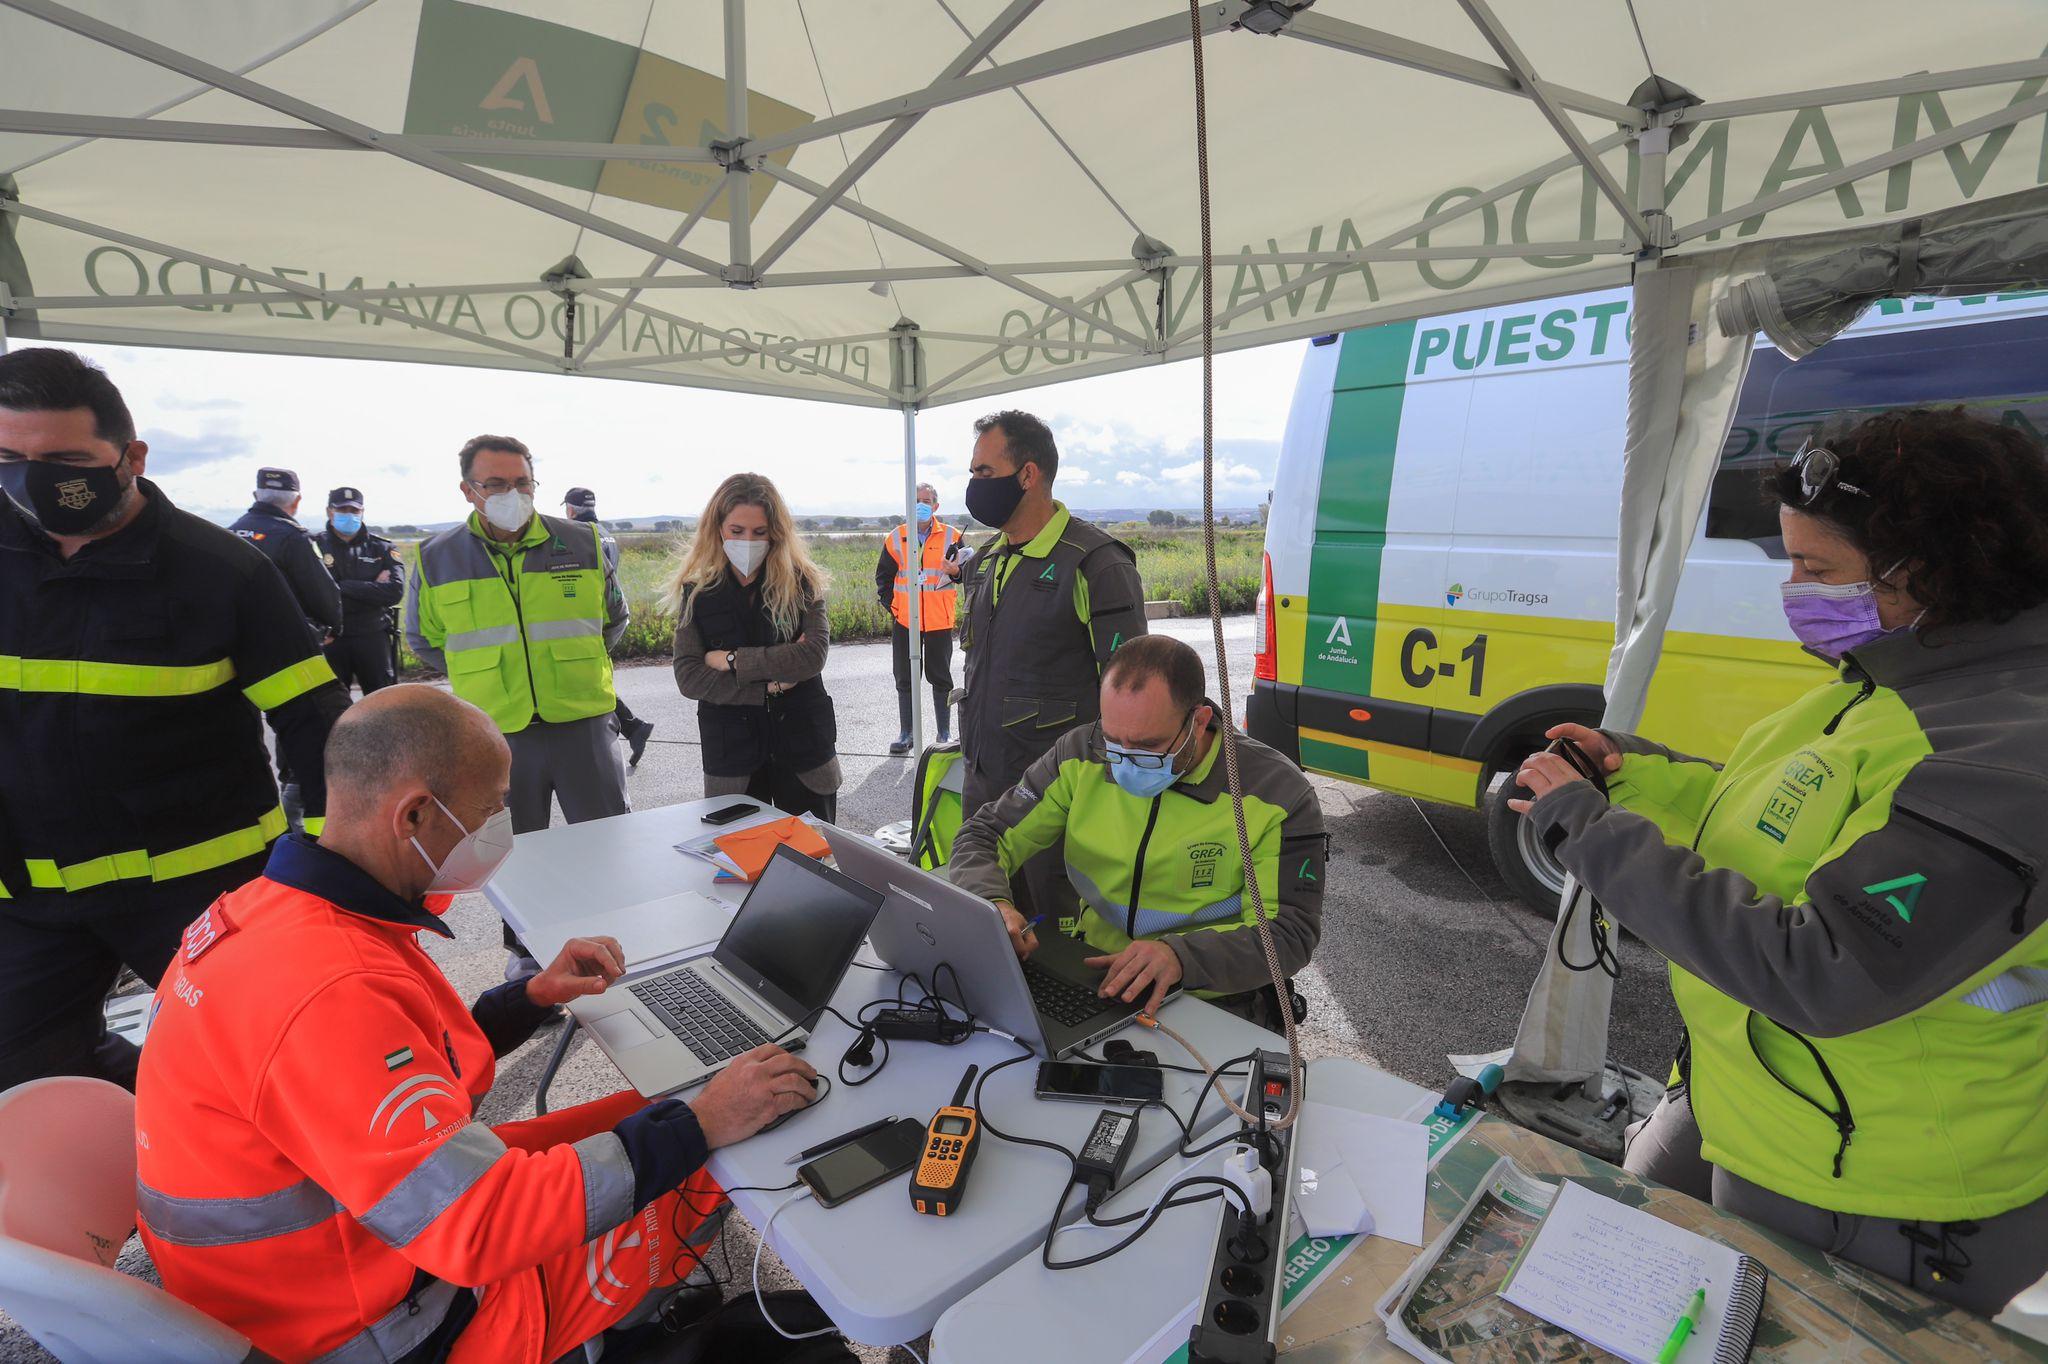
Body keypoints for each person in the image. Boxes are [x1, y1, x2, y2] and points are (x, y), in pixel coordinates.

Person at [1511, 407, 2048, 1316]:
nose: (1792, 586)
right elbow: (1781, 814)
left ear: (1926, 573)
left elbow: (1821, 968)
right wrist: (1638, 775)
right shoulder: (1882, 683)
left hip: (1874, 1188)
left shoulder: (2003, 749)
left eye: (1816, 567)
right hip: (1751, 1108)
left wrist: (1592, 833)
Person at [134, 685, 825, 1364]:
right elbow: (479, 1225)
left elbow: (391, 1066)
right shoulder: (328, 989)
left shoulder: (273, 911)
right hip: (379, 1324)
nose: (504, 822)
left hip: (317, 1261)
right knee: (713, 1147)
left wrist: (529, 996)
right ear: (413, 816)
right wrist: (704, 1125)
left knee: (665, 1108)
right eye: (492, 804)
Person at [0, 347, 348, 1090]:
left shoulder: (221, 570)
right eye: (6, 457)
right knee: (31, 1085)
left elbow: (315, 722)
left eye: (62, 458)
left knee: (277, 1071)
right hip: (29, 899)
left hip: (201, 891)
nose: (32, 480)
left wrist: (324, 867)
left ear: (131, 456)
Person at [949, 636, 1326, 1026]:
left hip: (1214, 998)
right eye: (1114, 741)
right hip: (1093, 976)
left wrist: (1180, 956)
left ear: (1197, 722)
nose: (1124, 761)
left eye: (1148, 746)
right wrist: (991, 901)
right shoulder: (1080, 752)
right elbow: (985, 833)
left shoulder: (1277, 793)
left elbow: (1289, 932)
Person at [405, 435, 630, 977]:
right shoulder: (436, 557)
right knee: (513, 851)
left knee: (605, 842)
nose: (512, 492)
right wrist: (490, 679)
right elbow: (423, 639)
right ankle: (528, 958)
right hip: (497, 732)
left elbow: (613, 620)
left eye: (522, 482)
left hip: (582, 722)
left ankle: (620, 939)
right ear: (468, 490)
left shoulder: (582, 541)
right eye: (496, 484)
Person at [957, 409, 1148, 923]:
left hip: (1060, 802)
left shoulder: (1097, 564)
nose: (973, 486)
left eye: (983, 473)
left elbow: (1135, 697)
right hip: (983, 796)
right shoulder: (983, 565)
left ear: (1028, 474)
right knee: (985, 932)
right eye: (972, 472)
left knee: (1062, 951)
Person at [667, 473, 840, 820]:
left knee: (813, 861)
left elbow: (811, 656)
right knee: (739, 866)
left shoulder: (803, 583)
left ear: (776, 532)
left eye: (759, 532)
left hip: (804, 750)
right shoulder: (695, 593)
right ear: (718, 529)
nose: (748, 540)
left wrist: (729, 659)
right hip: (732, 758)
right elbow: (689, 676)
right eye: (737, 531)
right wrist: (768, 687)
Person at [565, 485, 656, 769]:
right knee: (590, 679)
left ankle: (626, 729)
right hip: (610, 613)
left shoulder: (577, 537)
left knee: (585, 680)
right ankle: (632, 727)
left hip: (588, 618)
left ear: (570, 509)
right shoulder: (606, 533)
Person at [874, 481, 962, 753]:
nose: (920, 506)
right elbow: (883, 579)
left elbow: (965, 574)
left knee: (941, 678)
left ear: (935, 506)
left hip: (939, 621)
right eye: (916, 501)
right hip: (905, 623)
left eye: (925, 501)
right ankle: (906, 734)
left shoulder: (953, 536)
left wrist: (957, 572)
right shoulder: (895, 537)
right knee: (905, 678)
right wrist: (897, 609)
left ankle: (944, 734)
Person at [229, 466, 342, 642]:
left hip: (232, 634)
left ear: (256, 496)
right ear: (297, 501)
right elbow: (321, 591)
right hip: (280, 638)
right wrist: (332, 628)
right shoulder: (294, 537)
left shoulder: (229, 533)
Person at [315, 485, 405, 695]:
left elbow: (394, 591)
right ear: (330, 511)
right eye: (343, 510)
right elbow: (311, 591)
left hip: (372, 636)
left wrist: (341, 586)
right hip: (331, 638)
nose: (350, 515)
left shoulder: (382, 548)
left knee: (382, 705)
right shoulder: (314, 545)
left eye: (355, 511)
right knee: (332, 705)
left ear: (362, 511)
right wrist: (372, 589)